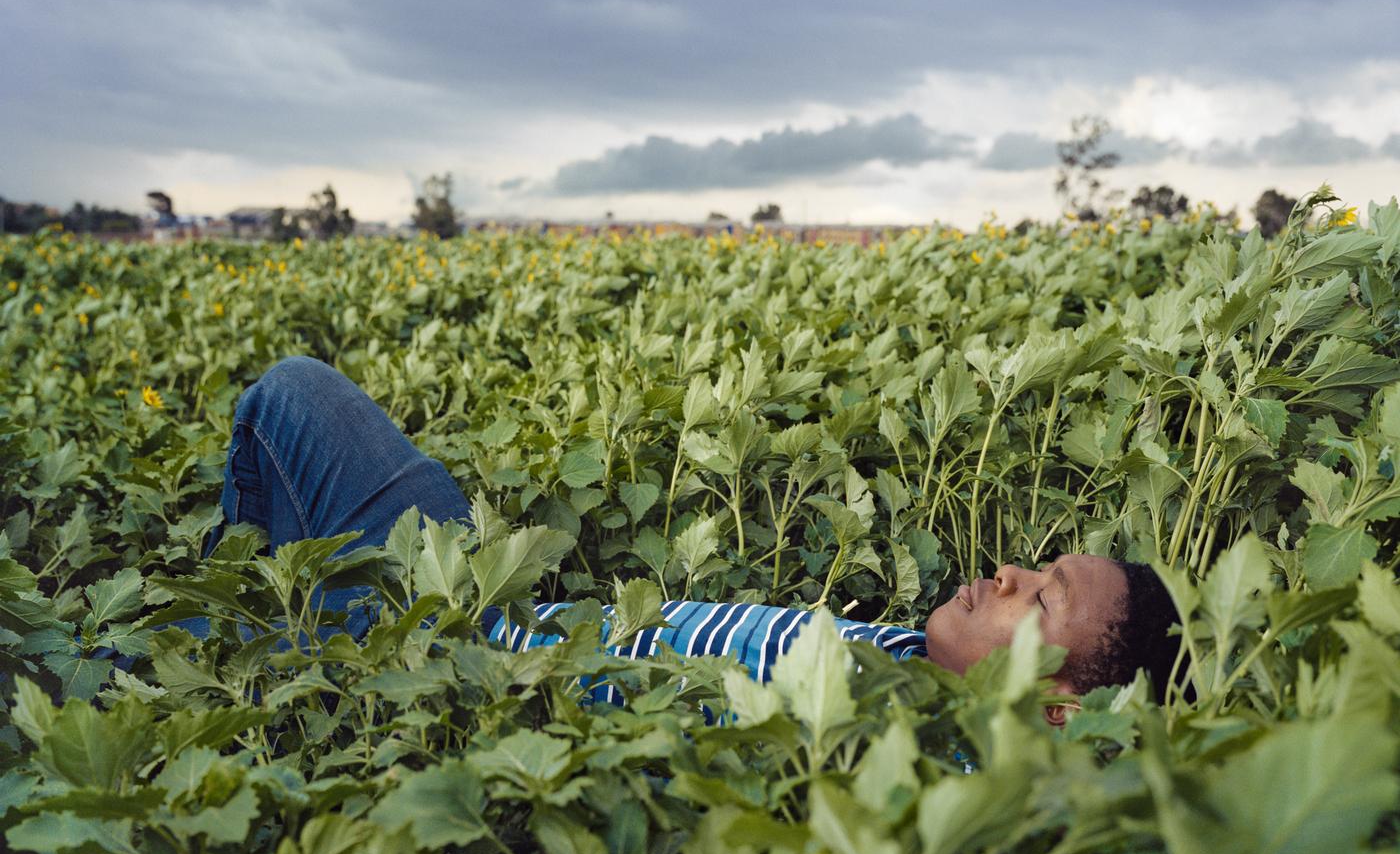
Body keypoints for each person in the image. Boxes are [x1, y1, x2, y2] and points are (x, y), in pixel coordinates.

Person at [154, 356, 1180, 719]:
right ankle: (252, 641)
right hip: (472, 590)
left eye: (1038, 598)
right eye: (1033, 568)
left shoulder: (894, 747)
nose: (1005, 573)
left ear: (1059, 709)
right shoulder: (906, 661)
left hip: (436, 651)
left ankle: (248, 659)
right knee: (298, 404)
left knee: (291, 397)